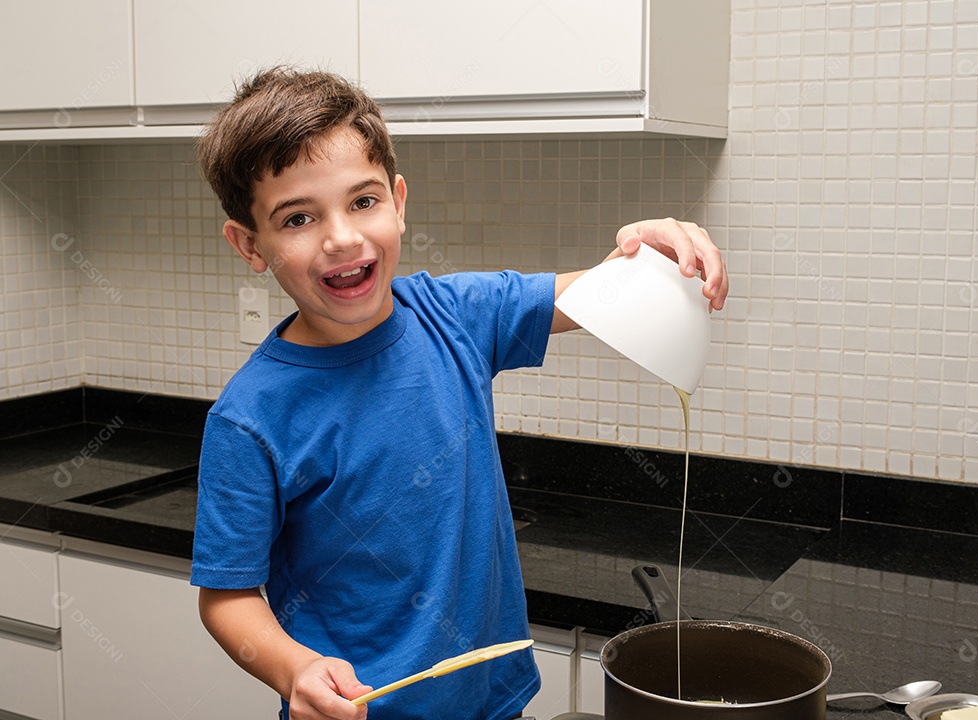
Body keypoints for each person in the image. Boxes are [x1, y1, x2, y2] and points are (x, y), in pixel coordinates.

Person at [191, 66, 728, 720]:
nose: (341, 237)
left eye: (363, 201)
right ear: (250, 244)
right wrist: (294, 668)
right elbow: (227, 597)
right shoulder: (250, 419)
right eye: (299, 217)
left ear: (398, 200)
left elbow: (601, 295)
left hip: (492, 704)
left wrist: (655, 252)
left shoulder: (456, 315)